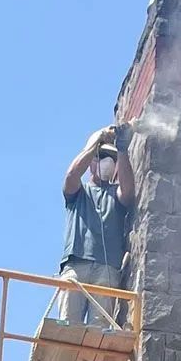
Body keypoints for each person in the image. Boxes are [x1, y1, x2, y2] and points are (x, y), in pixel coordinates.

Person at [57, 124, 135, 326]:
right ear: (92, 162)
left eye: (111, 159)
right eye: (101, 157)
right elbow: (71, 176)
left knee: (98, 330)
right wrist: (96, 140)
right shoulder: (78, 194)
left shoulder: (115, 195)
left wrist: (123, 149)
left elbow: (127, 194)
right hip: (76, 265)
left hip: (106, 269)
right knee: (68, 326)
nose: (107, 162)